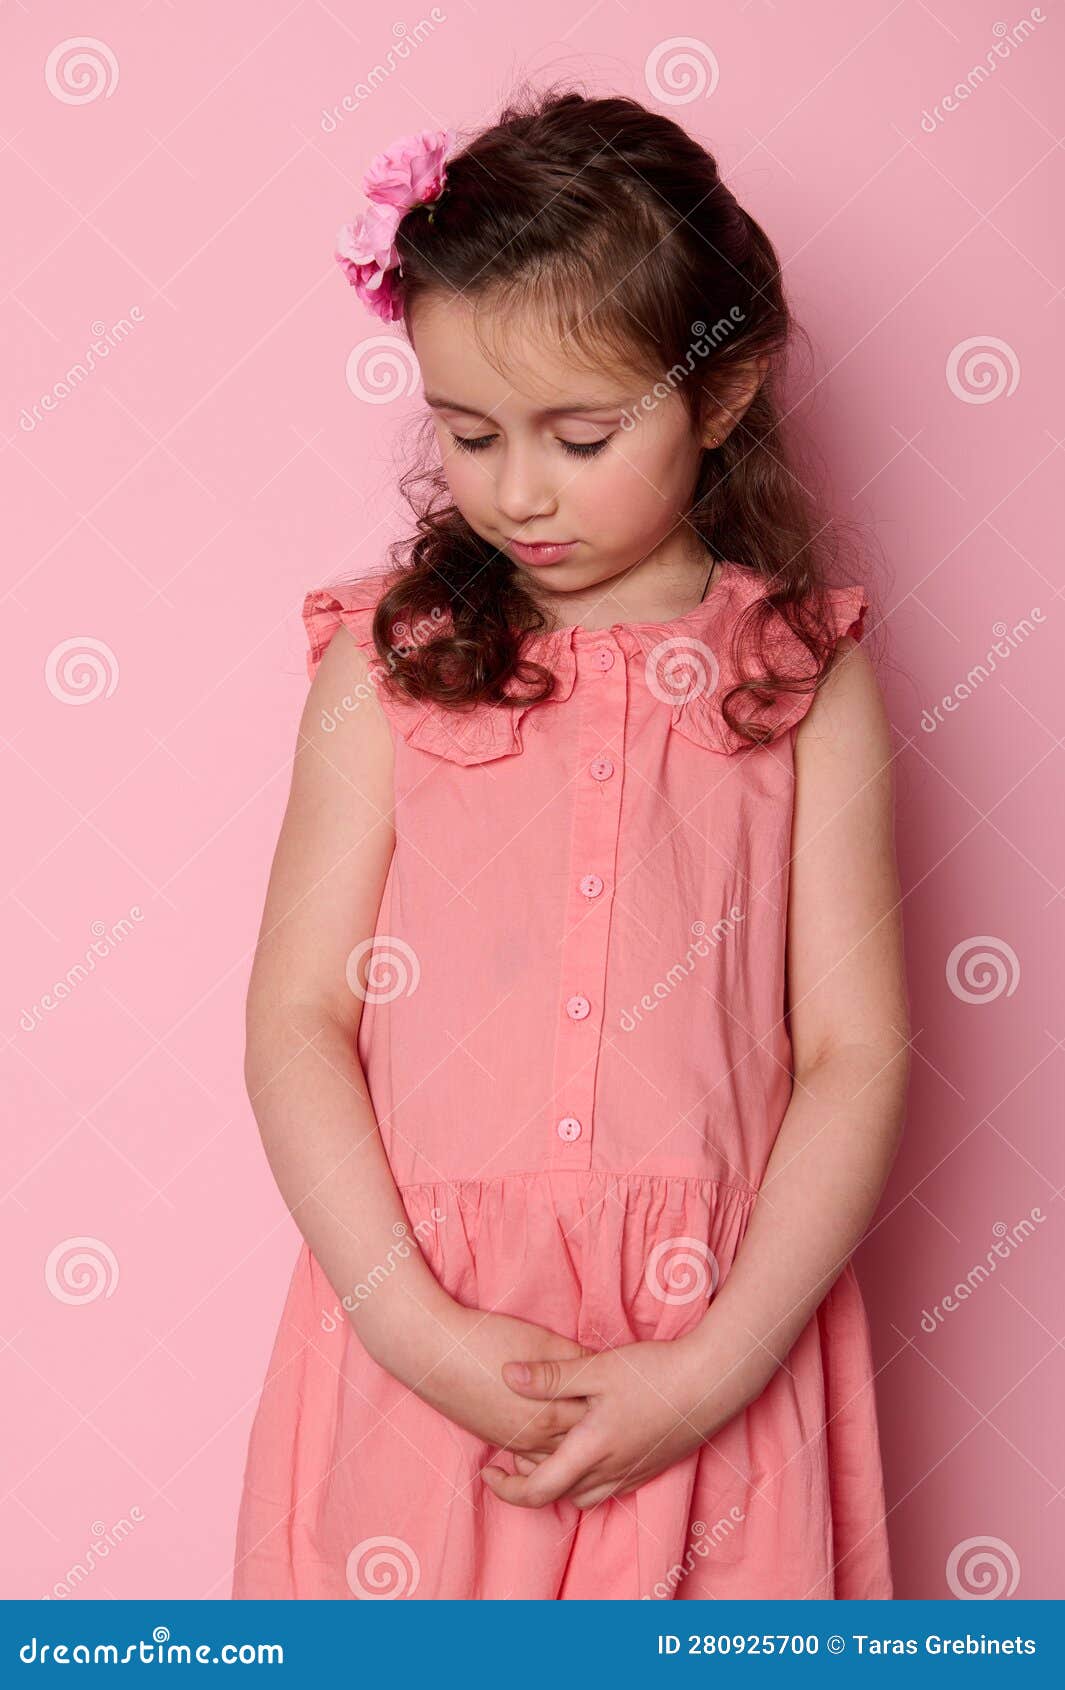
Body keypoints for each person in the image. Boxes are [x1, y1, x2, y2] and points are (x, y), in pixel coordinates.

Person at [232, 87, 909, 1601]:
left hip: (711, 1348)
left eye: (580, 434)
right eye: (469, 433)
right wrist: (412, 1325)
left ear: (718, 394)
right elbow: (296, 1017)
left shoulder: (798, 668)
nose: (518, 490)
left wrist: (712, 1366)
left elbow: (852, 1051)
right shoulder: (386, 660)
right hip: (428, 1340)